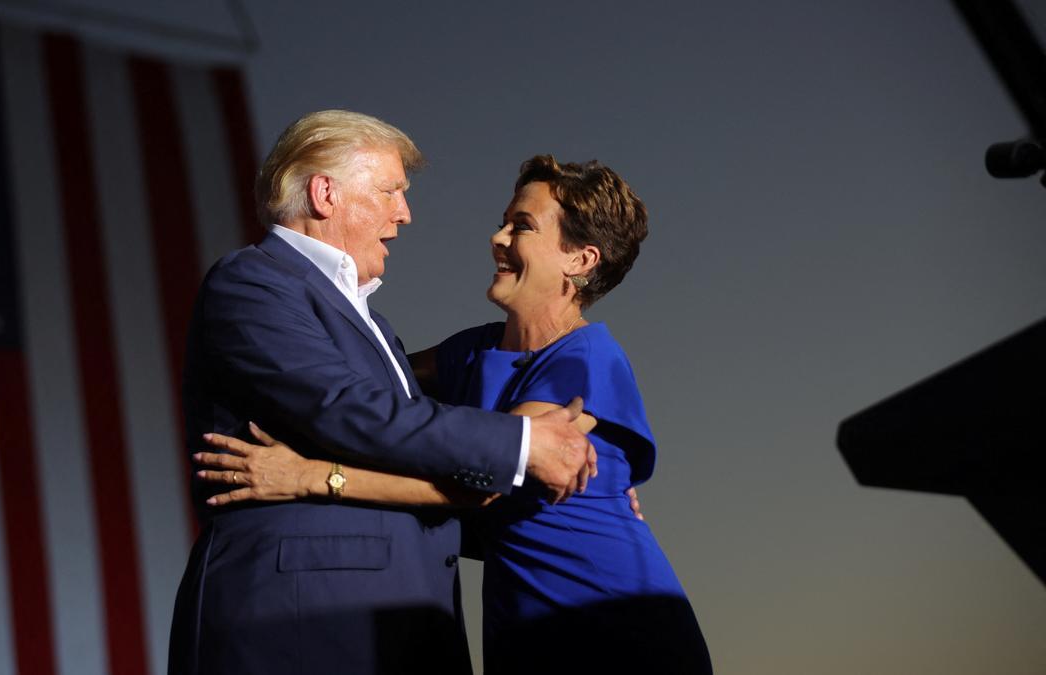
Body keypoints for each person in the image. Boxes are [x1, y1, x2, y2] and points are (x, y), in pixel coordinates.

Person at [195, 155, 714, 673]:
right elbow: (365, 385)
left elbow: (476, 485)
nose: (498, 237)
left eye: (523, 227)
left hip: (608, 619)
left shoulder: (585, 360)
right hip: (521, 626)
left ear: (580, 260)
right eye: (505, 221)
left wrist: (310, 477)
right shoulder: (469, 352)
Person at [167, 111, 595, 675]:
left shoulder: (375, 324)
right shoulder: (253, 282)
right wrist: (523, 443)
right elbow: (348, 411)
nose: (405, 212)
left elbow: (417, 474)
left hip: (401, 625)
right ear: (325, 193)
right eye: (392, 191)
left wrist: (584, 503)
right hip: (303, 622)